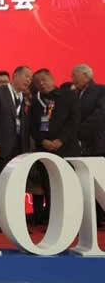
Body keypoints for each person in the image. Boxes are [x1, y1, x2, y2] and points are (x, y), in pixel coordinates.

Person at [29, 68, 81, 224]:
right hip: (45, 150)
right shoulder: (36, 102)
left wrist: (60, 140)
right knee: (49, 186)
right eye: (37, 82)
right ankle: (54, 221)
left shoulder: (68, 96)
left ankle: (72, 220)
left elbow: (74, 121)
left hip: (67, 148)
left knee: (69, 185)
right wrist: (42, 141)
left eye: (44, 79)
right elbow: (32, 127)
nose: (41, 84)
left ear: (52, 78)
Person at [0, 66, 32, 232]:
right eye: (26, 76)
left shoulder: (25, 97)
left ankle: (18, 221)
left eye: (30, 78)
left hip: (19, 147)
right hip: (1, 147)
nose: (29, 80)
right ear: (15, 76)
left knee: (17, 185)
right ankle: (0, 221)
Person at [71, 64, 105, 225]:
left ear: (86, 75)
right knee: (86, 184)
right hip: (81, 147)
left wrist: (78, 132)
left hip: (98, 144)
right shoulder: (75, 94)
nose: (72, 79)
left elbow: (100, 116)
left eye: (74, 75)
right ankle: (91, 218)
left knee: (99, 183)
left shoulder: (100, 90)